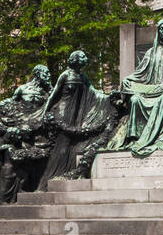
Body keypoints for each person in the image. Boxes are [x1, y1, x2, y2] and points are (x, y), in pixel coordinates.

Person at [106, 18, 163, 157]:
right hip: (151, 90)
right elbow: (140, 73)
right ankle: (135, 138)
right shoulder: (151, 52)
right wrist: (127, 80)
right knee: (135, 100)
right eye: (161, 29)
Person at [38, 50, 119, 186]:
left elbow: (93, 92)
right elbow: (54, 95)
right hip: (63, 112)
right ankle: (51, 177)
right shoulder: (65, 75)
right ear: (74, 59)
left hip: (76, 113)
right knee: (62, 145)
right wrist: (44, 113)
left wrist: (108, 97)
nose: (84, 59)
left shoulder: (82, 76)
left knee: (70, 145)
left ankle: (66, 171)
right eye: (81, 57)